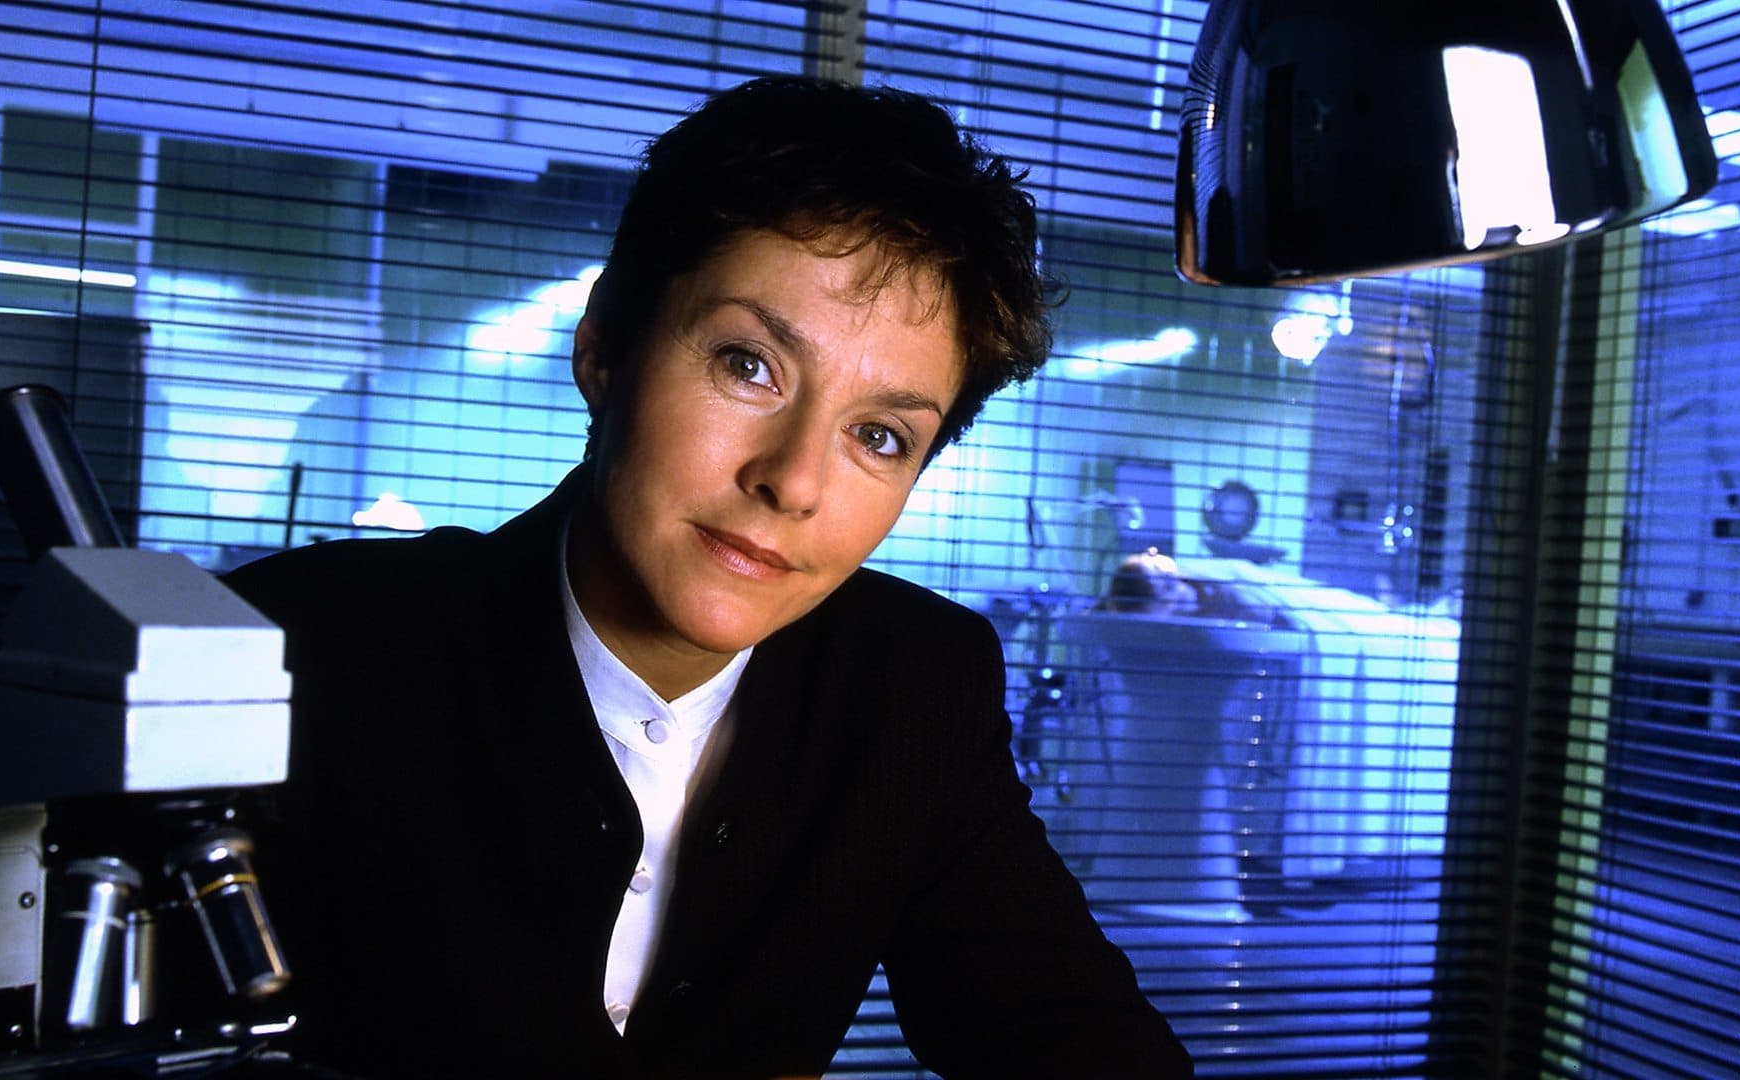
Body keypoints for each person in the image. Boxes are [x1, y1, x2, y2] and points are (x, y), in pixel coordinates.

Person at [226, 75, 1192, 1078]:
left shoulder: (911, 684)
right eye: (748, 365)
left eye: (879, 435)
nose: (794, 482)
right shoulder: (301, 650)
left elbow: (1081, 1043)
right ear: (606, 347)